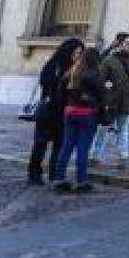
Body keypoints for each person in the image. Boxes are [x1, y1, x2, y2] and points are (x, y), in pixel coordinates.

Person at [27, 37, 83, 186]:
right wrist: (64, 78)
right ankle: (34, 173)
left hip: (64, 112)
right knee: (40, 143)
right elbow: (46, 83)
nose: (78, 56)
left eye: (80, 53)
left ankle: (54, 174)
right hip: (48, 110)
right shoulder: (53, 65)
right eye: (76, 52)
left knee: (59, 145)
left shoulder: (77, 68)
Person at [51, 45, 105, 193]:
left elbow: (60, 91)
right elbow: (102, 96)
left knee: (66, 146)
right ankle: (81, 181)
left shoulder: (72, 72)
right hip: (87, 114)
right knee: (83, 148)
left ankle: (58, 179)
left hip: (69, 112)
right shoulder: (94, 74)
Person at [92, 33, 129, 169]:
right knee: (104, 128)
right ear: (121, 44)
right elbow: (101, 79)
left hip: (127, 100)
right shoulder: (110, 60)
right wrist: (106, 85)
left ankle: (123, 156)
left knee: (122, 128)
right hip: (110, 100)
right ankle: (95, 156)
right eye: (127, 43)